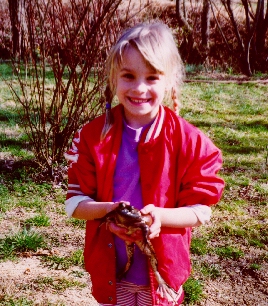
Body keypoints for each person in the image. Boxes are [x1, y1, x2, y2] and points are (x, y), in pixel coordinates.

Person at [64, 22, 224, 306]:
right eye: (128, 75)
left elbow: (201, 211)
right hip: (112, 273)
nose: (139, 88)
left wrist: (160, 218)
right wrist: (111, 212)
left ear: (170, 81)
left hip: (162, 273)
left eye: (152, 78)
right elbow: (75, 205)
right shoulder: (91, 136)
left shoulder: (190, 141)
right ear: (114, 76)